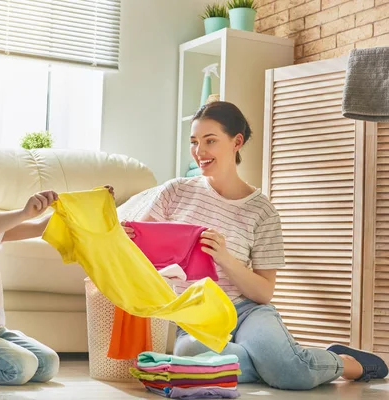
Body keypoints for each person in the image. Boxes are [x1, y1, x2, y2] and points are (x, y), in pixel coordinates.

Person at [122, 101, 388, 390]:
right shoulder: (175, 192)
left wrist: (225, 258)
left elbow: (263, 291)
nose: (199, 151)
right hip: (196, 317)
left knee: (291, 376)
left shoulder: (262, 211)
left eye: (210, 141)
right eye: (195, 142)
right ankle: (279, 361)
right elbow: (141, 250)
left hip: (247, 311)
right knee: (189, 352)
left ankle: (344, 362)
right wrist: (123, 239)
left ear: (236, 142)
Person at [0, 147, 115, 385]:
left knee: (48, 364)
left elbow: (41, 226)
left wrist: (91, 203)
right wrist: (25, 212)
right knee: (20, 368)